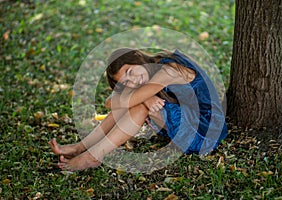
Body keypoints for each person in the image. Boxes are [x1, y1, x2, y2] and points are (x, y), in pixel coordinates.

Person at [49, 48, 228, 171]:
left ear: (136, 56)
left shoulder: (167, 70)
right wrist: (145, 95)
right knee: (137, 102)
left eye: (129, 72)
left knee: (139, 104)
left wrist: (144, 97)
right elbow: (113, 100)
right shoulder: (151, 67)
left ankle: (93, 157)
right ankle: (81, 147)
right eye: (125, 82)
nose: (132, 81)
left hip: (205, 130)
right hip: (188, 119)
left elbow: (111, 103)